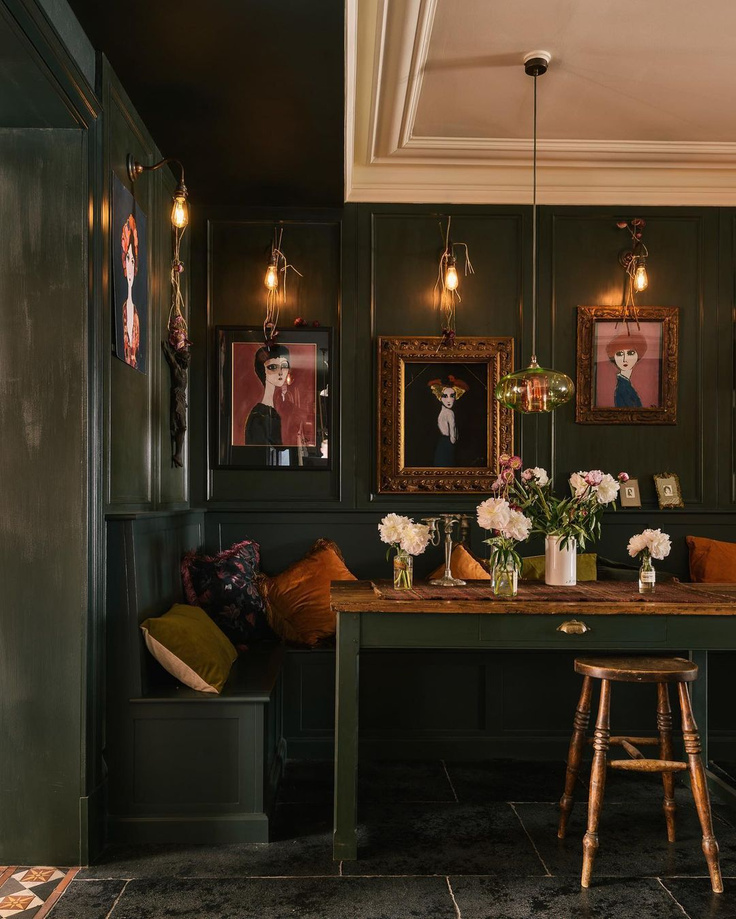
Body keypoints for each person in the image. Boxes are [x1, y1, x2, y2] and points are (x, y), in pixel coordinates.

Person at [244, 344, 291, 448]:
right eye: (273, 367)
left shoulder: (278, 410)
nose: (280, 372)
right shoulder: (259, 416)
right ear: (263, 370)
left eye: (284, 366)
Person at [428, 375, 468, 466]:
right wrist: (453, 442)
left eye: (452, 396)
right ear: (440, 397)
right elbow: (453, 433)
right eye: (445, 396)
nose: (449, 400)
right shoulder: (449, 413)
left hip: (443, 442)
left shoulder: (443, 411)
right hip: (447, 443)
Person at [605, 330, 647, 408]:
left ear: (638, 355)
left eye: (630, 353)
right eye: (620, 354)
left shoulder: (626, 383)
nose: (625, 359)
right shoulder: (622, 387)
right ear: (614, 357)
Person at [121, 215, 140, 368]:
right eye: (127, 258)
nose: (130, 265)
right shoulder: (123, 312)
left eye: (132, 260)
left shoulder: (135, 315)